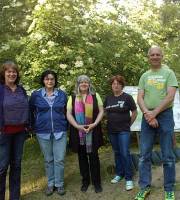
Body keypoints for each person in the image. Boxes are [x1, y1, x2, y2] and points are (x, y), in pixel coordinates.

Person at [135, 46, 178, 200]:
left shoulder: (169, 73)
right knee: (144, 155)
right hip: (148, 117)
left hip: (165, 115)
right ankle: (144, 187)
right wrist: (148, 114)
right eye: (152, 54)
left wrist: (155, 113)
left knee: (168, 155)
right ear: (148, 56)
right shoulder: (144, 76)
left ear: (162, 56)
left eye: (157, 54)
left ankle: (169, 188)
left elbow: (170, 96)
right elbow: (140, 97)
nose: (154, 56)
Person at [29, 70, 67, 196]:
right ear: (43, 80)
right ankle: (51, 184)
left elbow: (67, 111)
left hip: (60, 130)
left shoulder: (62, 94)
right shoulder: (36, 95)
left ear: (55, 81)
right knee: (48, 159)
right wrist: (32, 126)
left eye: (52, 79)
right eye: (47, 79)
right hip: (42, 131)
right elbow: (30, 112)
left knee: (59, 159)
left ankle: (59, 184)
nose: (49, 81)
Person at [66, 75, 104, 193]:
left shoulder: (95, 96)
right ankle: (85, 181)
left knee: (94, 157)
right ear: (78, 84)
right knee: (82, 158)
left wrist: (95, 124)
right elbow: (68, 114)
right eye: (81, 82)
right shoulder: (72, 97)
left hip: (93, 131)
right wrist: (77, 126)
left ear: (89, 84)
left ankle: (97, 182)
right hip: (78, 132)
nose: (84, 84)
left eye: (86, 82)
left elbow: (102, 111)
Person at [0, 61, 29, 200]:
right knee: (2, 167)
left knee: (16, 165)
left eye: (14, 72)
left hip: (20, 133)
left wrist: (27, 126)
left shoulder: (21, 89)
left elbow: (26, 108)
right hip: (3, 133)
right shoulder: (0, 89)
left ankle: (14, 197)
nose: (12, 74)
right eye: (9, 71)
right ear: (4, 73)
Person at [104, 75, 137, 190]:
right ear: (111, 86)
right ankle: (119, 173)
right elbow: (105, 112)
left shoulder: (127, 97)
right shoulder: (108, 98)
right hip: (112, 130)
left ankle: (128, 178)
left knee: (124, 152)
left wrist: (128, 125)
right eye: (113, 83)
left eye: (118, 83)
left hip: (124, 130)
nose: (115, 85)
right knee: (117, 152)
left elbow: (134, 112)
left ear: (122, 85)